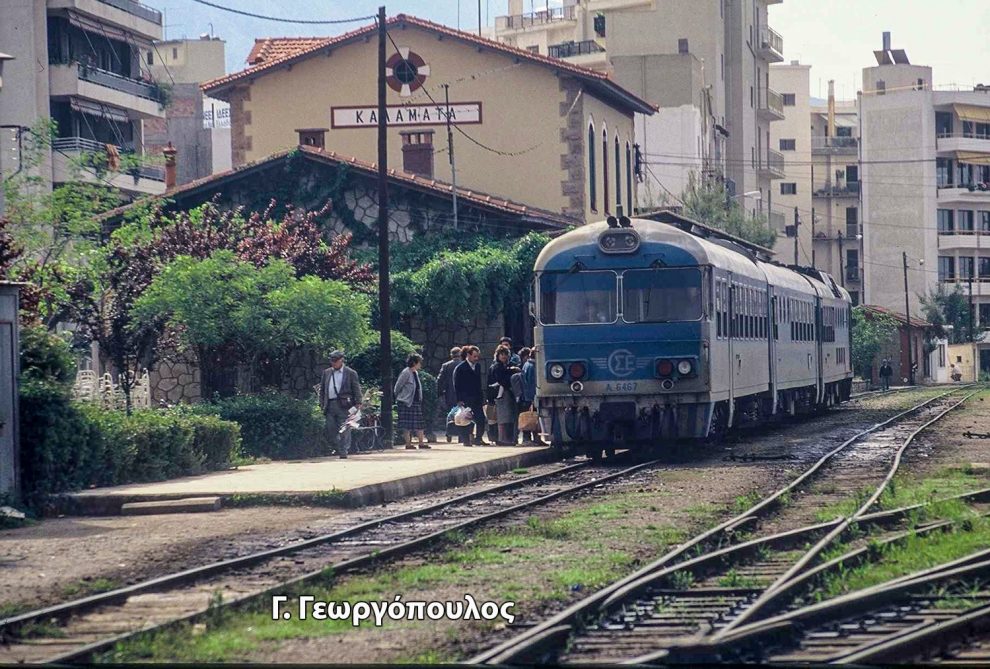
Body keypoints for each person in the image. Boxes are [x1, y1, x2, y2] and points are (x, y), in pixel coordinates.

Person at [319, 350, 362, 459]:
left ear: (341, 360)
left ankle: (343, 450)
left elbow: (356, 388)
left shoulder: (350, 373)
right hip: (330, 404)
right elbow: (322, 390)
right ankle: (338, 446)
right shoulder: (327, 372)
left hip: (345, 404)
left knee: (345, 428)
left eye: (335, 361)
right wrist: (321, 403)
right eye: (332, 361)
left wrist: (358, 403)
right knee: (330, 428)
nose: (333, 363)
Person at [454, 345, 487, 446]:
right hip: (465, 397)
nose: (476, 359)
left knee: (480, 418)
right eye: (474, 356)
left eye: (477, 356)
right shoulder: (460, 368)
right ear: (468, 355)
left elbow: (479, 383)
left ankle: (478, 438)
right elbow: (456, 385)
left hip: (476, 397)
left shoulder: (477, 366)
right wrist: (459, 399)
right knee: (466, 418)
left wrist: (482, 397)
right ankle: (466, 440)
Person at [395, 353, 430, 450]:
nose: (420, 364)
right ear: (414, 362)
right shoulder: (406, 372)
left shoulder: (415, 372)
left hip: (415, 401)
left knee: (419, 423)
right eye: (419, 362)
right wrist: (400, 397)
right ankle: (408, 443)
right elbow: (398, 386)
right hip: (406, 401)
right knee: (406, 424)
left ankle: (421, 442)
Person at [489, 346, 518, 445]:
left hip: (505, 394)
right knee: (503, 418)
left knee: (508, 417)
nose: (504, 356)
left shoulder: (505, 366)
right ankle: (503, 439)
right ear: (498, 355)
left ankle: (506, 439)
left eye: (506, 354)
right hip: (501, 394)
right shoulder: (497, 366)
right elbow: (502, 380)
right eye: (502, 354)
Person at [436, 346, 461, 441]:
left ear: (451, 355)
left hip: (449, 393)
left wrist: (440, 392)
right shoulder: (463, 364)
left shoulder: (446, 366)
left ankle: (449, 433)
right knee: (461, 413)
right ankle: (461, 434)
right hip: (461, 394)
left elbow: (440, 379)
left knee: (450, 413)